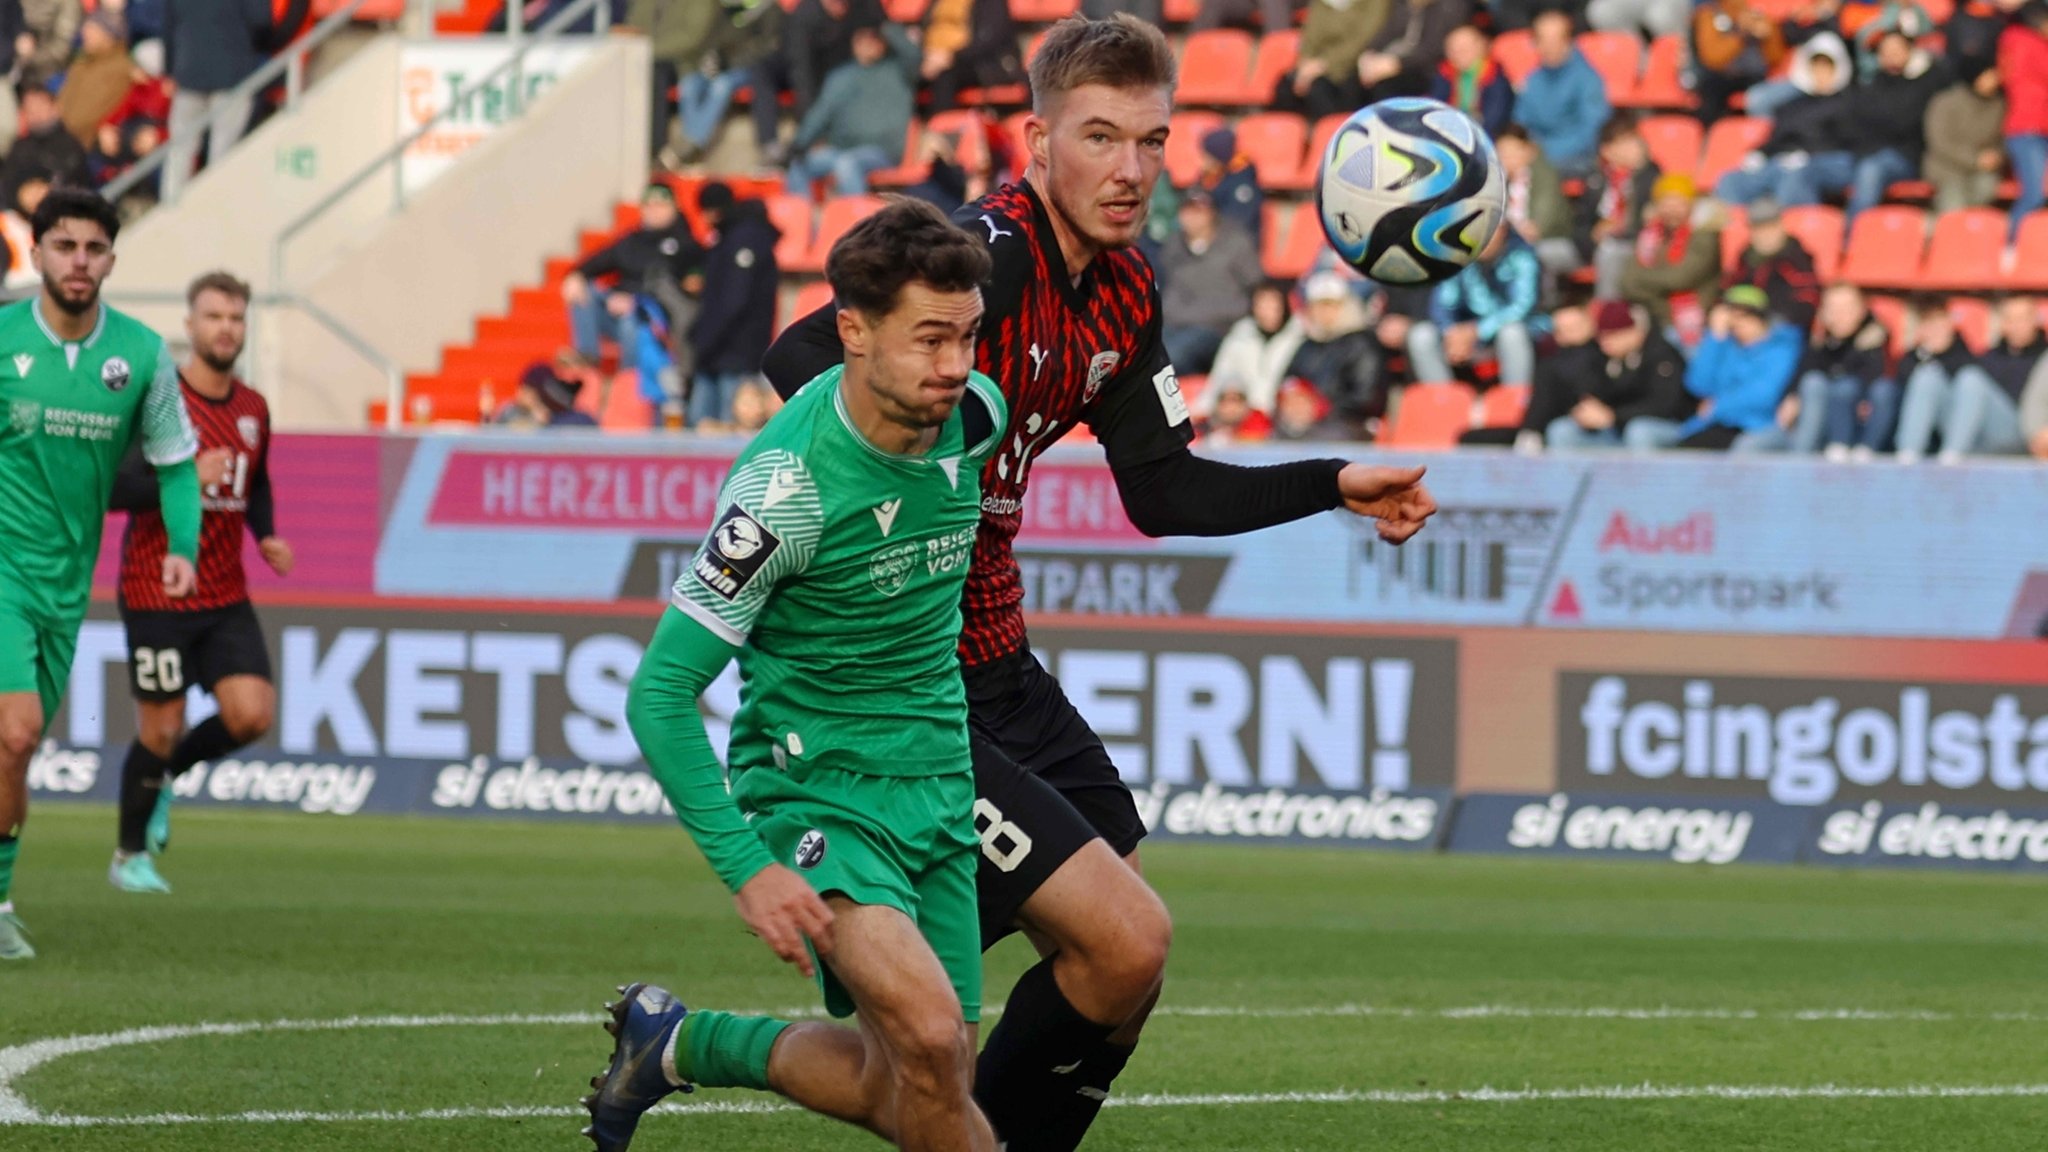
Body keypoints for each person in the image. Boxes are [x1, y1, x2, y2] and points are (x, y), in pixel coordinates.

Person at [760, 17, 1436, 1151]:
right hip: (904, 680)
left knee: (1103, 971)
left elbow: (1162, 489)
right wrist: (901, 493)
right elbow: (799, 357)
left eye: (1152, 143)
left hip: (997, 666)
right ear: (1037, 139)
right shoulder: (988, 255)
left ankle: (684, 1039)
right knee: (1108, 950)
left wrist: (1334, 481)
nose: (1129, 171)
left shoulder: (1122, 294)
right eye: (1101, 137)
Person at [586, 199, 1007, 1152]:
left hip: (939, 784)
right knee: (934, 1044)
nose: (953, 366)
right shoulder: (784, 491)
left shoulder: (976, 417)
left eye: (968, 337)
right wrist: (748, 867)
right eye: (929, 338)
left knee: (905, 1085)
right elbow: (658, 693)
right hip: (818, 790)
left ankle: (680, 1043)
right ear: (851, 332)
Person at [0, 188, 201, 959]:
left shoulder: (142, 355)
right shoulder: (5, 339)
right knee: (15, 731)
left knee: (15, 749)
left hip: (64, 586)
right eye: (63, 245)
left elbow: (176, 467)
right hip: (4, 574)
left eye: (93, 248)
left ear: (111, 258)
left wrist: (181, 548)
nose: (78, 261)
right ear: (39, 252)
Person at [105, 271, 290, 894]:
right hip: (157, 588)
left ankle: (166, 782)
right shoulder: (161, 402)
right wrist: (180, 474)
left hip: (225, 592)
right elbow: (113, 488)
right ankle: (129, 856)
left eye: (236, 318)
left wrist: (265, 534)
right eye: (213, 317)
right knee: (160, 726)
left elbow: (255, 480)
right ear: (190, 325)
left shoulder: (253, 407)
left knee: (252, 714)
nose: (225, 329)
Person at [1640, 284, 1803, 451]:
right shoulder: (1726, 345)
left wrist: (1717, 406)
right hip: (1712, 425)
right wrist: (1715, 338)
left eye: (1744, 316)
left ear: (1760, 317)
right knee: (1647, 434)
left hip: (1754, 427)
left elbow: (1764, 396)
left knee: (1734, 448)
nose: (1737, 323)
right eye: (1732, 316)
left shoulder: (1782, 348)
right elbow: (1697, 384)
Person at [560, 184, 704, 371]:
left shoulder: (686, 243)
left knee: (633, 320)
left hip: (655, 315)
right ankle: (587, 360)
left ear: (674, 207)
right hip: (618, 307)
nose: (654, 211)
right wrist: (576, 276)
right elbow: (593, 263)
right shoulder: (631, 241)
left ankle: (629, 378)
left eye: (660, 205)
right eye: (649, 205)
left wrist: (635, 301)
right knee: (583, 290)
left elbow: (688, 283)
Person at [1896, 292, 2044, 460]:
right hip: (1974, 433)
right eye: (2010, 319)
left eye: (2022, 318)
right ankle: (1907, 455)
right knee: (1927, 375)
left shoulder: (2044, 358)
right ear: (2002, 323)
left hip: (2019, 433)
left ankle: (1952, 457)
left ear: (2036, 320)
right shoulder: (1991, 356)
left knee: (1971, 378)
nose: (2016, 325)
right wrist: (1930, 352)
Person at [784, 18, 916, 199]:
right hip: (841, 149)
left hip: (881, 152)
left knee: (847, 163)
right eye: (862, 39)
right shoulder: (839, 76)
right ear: (854, 42)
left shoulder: (898, 71)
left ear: (883, 44)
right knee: (798, 165)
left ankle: (857, 224)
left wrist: (886, 25)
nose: (867, 44)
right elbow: (820, 113)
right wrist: (799, 144)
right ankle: (804, 225)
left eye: (873, 39)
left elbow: (914, 55)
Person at [160, 0, 275, 204]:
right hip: (232, 73)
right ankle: (214, 206)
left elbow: (168, 26)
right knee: (223, 149)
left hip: (189, 72)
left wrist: (169, 69)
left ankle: (171, 206)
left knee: (180, 148)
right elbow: (261, 21)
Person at [688, 183, 780, 429]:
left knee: (730, 430)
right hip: (720, 352)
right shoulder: (732, 237)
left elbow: (734, 299)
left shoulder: (744, 238)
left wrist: (704, 340)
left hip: (735, 353)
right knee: (701, 430)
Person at [1547, 300, 1696, 450]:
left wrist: (1613, 416)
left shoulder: (1662, 355)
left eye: (1613, 335)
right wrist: (1588, 411)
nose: (1605, 342)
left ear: (1635, 331)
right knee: (1562, 430)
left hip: (1669, 426)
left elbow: (1665, 405)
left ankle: (1642, 474)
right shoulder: (1603, 356)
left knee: (1640, 432)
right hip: (1617, 428)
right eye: (1601, 336)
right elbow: (1591, 391)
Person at [1407, 225, 1546, 387]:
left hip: (1512, 329)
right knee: (1421, 335)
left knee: (1512, 333)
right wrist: (1452, 332)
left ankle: (1516, 397)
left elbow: (1522, 306)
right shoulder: (1459, 257)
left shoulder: (1522, 257)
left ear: (1502, 231)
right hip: (1464, 332)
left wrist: (1478, 331)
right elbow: (1442, 303)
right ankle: (1443, 400)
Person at [1157, 184, 1264, 375]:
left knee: (1171, 358)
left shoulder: (1235, 242)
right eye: (1188, 210)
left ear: (1211, 213)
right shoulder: (1173, 244)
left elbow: (1255, 288)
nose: (1192, 217)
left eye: (1199, 211)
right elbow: (1166, 289)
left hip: (1218, 326)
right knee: (1140, 355)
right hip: (1174, 323)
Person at [1794, 282, 1895, 458]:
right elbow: (1804, 373)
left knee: (1846, 387)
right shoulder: (1821, 339)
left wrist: (1853, 347)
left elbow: (1875, 379)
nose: (1839, 315)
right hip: (1823, 424)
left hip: (1862, 424)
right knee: (1814, 383)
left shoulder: (1876, 336)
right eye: (1833, 308)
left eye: (1846, 308)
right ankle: (1801, 455)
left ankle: (1848, 447)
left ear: (1861, 310)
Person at [1621, 172, 1722, 343]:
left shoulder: (1705, 235)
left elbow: (1679, 279)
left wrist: (1643, 280)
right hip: (1654, 312)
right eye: (1666, 204)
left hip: (1689, 319)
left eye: (1678, 204)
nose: (1671, 210)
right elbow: (1627, 281)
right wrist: (1657, 282)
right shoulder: (1650, 235)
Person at [1575, 112, 1660, 299]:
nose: (1636, 148)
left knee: (1611, 252)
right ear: (1608, 150)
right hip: (1593, 246)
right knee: (1547, 251)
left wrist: (1620, 228)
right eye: (1627, 142)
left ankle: (1607, 314)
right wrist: (1593, 235)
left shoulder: (1651, 177)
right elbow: (1580, 221)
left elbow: (1646, 224)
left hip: (1631, 246)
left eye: (1637, 141)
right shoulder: (1596, 179)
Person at [1515, 9, 1608, 175]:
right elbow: (1520, 122)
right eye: (1542, 40)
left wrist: (1542, 153)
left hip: (1577, 159)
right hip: (1535, 156)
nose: (1549, 46)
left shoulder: (1587, 78)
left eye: (1555, 40)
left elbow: (1592, 131)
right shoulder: (1533, 79)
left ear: (1569, 40)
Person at [1275, 0, 1389, 122]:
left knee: (1319, 91)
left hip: (1351, 67)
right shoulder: (1322, 3)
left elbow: (1362, 41)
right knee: (1284, 88)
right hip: (1315, 67)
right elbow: (1310, 35)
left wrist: (1323, 65)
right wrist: (1305, 63)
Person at [1206, 279, 1306, 417]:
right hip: (1245, 417)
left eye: (1273, 305)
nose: (1267, 312)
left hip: (1283, 417)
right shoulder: (1240, 336)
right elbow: (1221, 376)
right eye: (1262, 305)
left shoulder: (1301, 337)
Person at [1720, 198, 1821, 333]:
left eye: (1770, 227)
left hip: (1782, 329)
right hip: (1742, 327)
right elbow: (1729, 288)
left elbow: (1808, 301)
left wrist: (1765, 321)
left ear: (1781, 226)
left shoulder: (1796, 258)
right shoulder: (1746, 256)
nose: (1764, 235)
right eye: (1758, 229)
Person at [1924, 62, 2008, 216]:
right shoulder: (1945, 102)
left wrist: (1996, 157)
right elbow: (1940, 143)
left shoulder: (2000, 105)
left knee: (1986, 188)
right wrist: (1974, 159)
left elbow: (2004, 139)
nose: (1996, 78)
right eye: (1989, 74)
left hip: (1982, 170)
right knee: (1953, 203)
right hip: (1947, 168)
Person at [1495, 124, 1577, 276]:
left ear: (1529, 150)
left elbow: (1540, 224)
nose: (1508, 158)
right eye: (1502, 153)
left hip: (1551, 241)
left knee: (1534, 254)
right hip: (1509, 243)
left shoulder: (1544, 176)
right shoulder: (1495, 181)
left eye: (1513, 151)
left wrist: (1519, 233)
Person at [918, 0, 1025, 113]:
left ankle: (942, 126)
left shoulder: (990, 3)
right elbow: (922, 30)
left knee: (944, 76)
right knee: (904, 72)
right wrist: (923, 58)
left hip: (980, 64)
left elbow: (987, 41)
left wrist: (951, 57)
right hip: (930, 60)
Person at [1692, 0, 1789, 123]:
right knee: (1710, 96)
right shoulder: (1709, 14)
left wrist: (1769, 37)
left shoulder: (1757, 15)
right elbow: (1712, 58)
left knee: (1764, 97)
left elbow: (1776, 58)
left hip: (1753, 76)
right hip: (1720, 76)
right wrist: (1741, 34)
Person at [2002, 2, 2048, 250]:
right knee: (2034, 193)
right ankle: (2010, 248)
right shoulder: (2024, 41)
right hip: (2028, 129)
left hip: (2037, 128)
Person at [57, 11, 134, 148]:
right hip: (61, 139)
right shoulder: (81, 64)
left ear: (109, 36)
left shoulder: (120, 70)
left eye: (92, 29)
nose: (85, 33)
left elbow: (93, 114)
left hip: (85, 145)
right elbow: (62, 103)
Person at [1430, 24, 1514, 140]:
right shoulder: (1444, 75)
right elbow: (1435, 108)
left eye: (1465, 48)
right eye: (1453, 50)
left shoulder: (1495, 77)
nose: (1459, 54)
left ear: (1481, 46)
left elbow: (1495, 119)